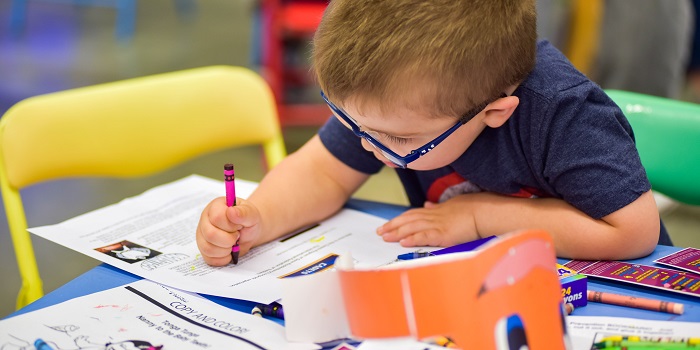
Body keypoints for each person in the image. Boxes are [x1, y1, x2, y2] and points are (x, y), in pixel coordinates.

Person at [196, 0, 667, 266]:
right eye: (350, 122)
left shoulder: (561, 115)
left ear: (495, 112)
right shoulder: (392, 107)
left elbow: (633, 233)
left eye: (398, 140)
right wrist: (260, 217)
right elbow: (323, 171)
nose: (368, 146)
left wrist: (480, 217)